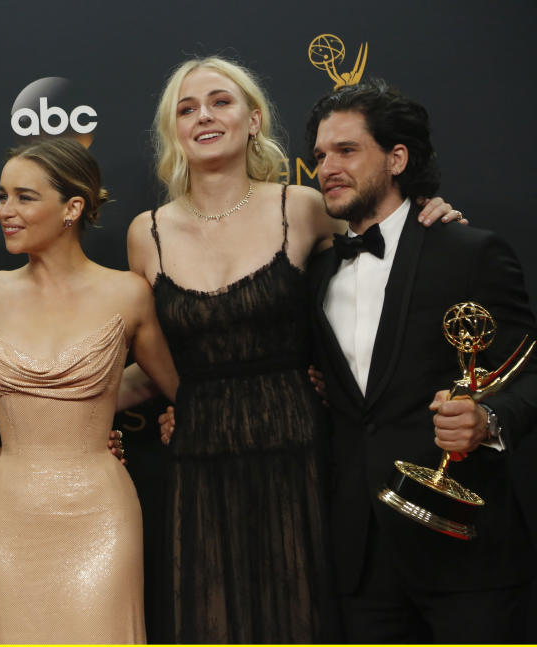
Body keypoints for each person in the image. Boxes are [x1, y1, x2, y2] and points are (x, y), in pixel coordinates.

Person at [126, 56, 461, 643]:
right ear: (173, 131)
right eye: (187, 107)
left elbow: (382, 274)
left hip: (299, 445)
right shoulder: (145, 231)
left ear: (254, 120)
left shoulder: (303, 207)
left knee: (300, 614)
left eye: (220, 101)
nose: (204, 115)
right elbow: (148, 360)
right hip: (199, 455)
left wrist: (433, 216)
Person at [305, 78, 537, 642]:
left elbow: (529, 369)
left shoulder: (466, 251)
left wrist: (490, 420)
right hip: (358, 560)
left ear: (397, 157)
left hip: (463, 553)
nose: (326, 167)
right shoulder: (314, 273)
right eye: (318, 156)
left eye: (346, 150)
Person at [0, 137, 178, 643]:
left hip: (100, 512)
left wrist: (92, 422)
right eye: (2, 196)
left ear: (73, 207)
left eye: (24, 197)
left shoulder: (127, 292)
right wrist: (0, 466)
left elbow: (175, 385)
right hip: (10, 514)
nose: (5, 211)